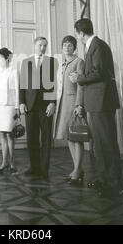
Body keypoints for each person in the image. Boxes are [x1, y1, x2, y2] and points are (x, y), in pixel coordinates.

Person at [70, 18, 122, 197]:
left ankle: (111, 181)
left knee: (105, 142)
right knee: (101, 143)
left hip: (101, 100)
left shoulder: (97, 46)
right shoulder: (95, 45)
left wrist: (79, 77)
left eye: (77, 34)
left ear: (81, 33)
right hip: (99, 100)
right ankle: (106, 178)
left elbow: (98, 72)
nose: (78, 37)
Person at [19, 37, 58, 181]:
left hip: (46, 105)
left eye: (45, 45)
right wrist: (21, 102)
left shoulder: (51, 62)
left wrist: (53, 103)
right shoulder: (25, 62)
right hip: (30, 106)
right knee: (32, 138)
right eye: (40, 45)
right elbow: (22, 84)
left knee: (46, 138)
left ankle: (44, 168)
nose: (43, 48)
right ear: (34, 45)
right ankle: (34, 167)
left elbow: (54, 85)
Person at [54, 35, 85, 184]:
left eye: (70, 45)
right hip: (64, 103)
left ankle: (78, 170)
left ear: (75, 47)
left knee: (76, 137)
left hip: (73, 102)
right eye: (65, 45)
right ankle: (77, 169)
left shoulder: (79, 62)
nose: (67, 47)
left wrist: (79, 104)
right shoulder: (63, 64)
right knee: (69, 137)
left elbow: (81, 85)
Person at [0, 48, 20, 174]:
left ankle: (12, 162)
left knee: (10, 134)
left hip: (10, 106)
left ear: (7, 58)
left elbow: (18, 90)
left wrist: (17, 107)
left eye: (0, 58)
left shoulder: (14, 72)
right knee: (2, 134)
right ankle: (4, 162)